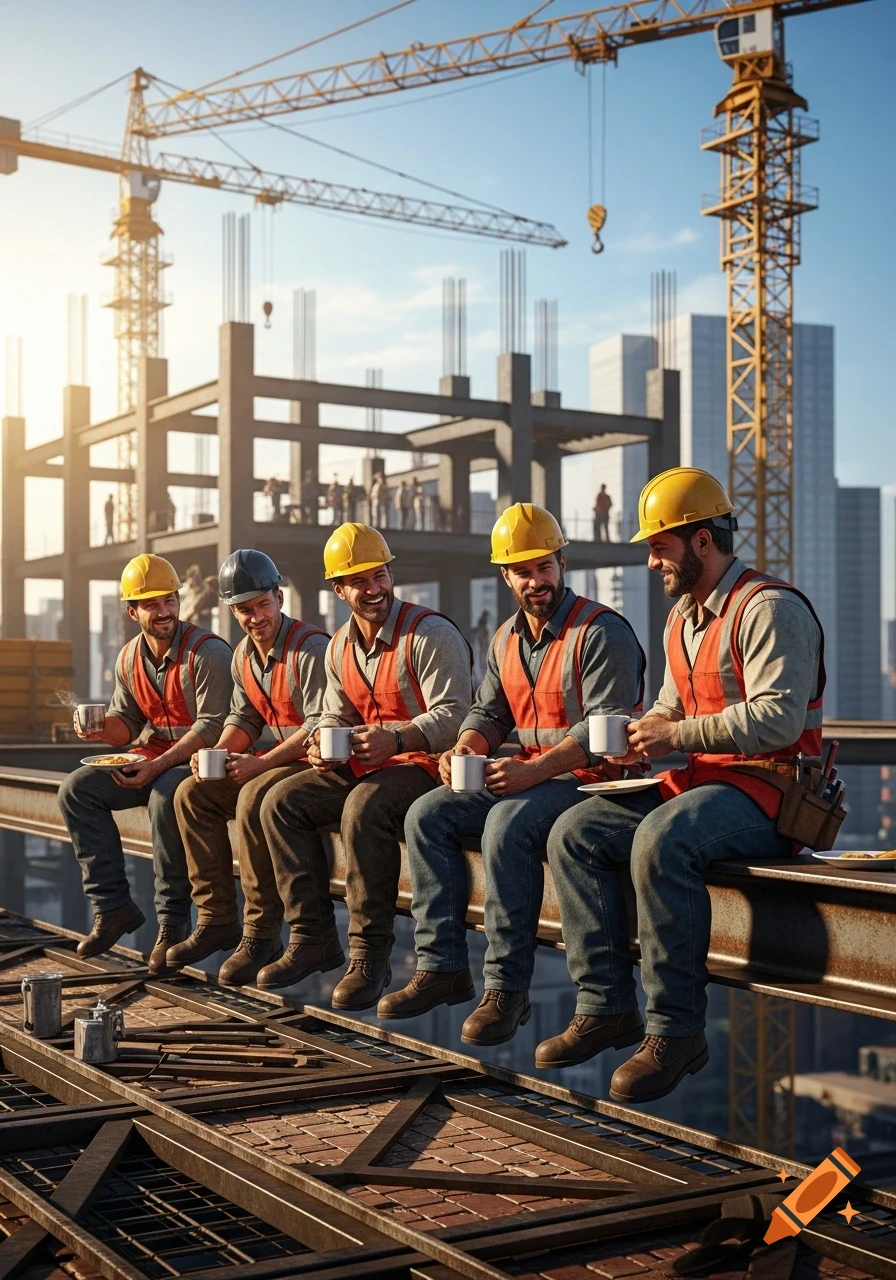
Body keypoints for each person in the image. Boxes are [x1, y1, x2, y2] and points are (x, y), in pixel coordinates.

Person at [539, 467, 825, 1101]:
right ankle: (607, 1005)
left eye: (659, 546)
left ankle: (675, 1031)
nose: (649, 561)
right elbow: (670, 708)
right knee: (575, 832)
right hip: (699, 786)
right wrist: (643, 738)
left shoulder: (769, 608)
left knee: (663, 842)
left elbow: (777, 718)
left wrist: (678, 735)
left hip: (769, 794)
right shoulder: (681, 620)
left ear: (701, 541)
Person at [380, 504, 645, 1046]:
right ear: (506, 576)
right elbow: (490, 712)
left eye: (544, 567)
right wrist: (464, 748)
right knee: (428, 814)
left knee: (506, 824)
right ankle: (441, 966)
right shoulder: (505, 639)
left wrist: (530, 773)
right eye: (522, 571)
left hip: (592, 783)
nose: (535, 580)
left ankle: (506, 989)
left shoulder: (601, 632)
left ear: (562, 563)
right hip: (535, 778)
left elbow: (605, 727)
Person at [251, 523, 473, 1002]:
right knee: (280, 802)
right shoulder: (339, 647)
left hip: (427, 764)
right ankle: (312, 939)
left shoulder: (430, 633)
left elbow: (456, 715)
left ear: (391, 575)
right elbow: (334, 712)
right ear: (339, 589)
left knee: (364, 809)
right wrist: (320, 741)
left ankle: (369, 956)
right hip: (370, 762)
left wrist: (397, 739)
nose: (373, 589)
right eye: (359, 581)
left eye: (380, 577)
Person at [58, 554, 233, 975]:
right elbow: (128, 726)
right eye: (152, 604)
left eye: (169, 600)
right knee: (77, 790)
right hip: (156, 755)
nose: (164, 611)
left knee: (164, 796)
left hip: (202, 763)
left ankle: (172, 924)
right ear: (132, 611)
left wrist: (156, 767)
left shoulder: (208, 653)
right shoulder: (129, 658)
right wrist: (99, 730)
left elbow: (213, 728)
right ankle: (113, 907)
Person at [170, 550, 329, 984]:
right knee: (191, 794)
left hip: (316, 763)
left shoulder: (310, 648)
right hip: (278, 760)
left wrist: (260, 763)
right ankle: (218, 918)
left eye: (262, 605)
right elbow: (245, 717)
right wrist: (217, 756)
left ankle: (262, 933)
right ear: (232, 611)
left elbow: (321, 724)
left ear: (279, 597)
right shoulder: (243, 655)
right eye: (244, 609)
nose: (255, 617)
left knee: (257, 796)